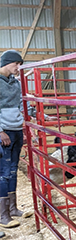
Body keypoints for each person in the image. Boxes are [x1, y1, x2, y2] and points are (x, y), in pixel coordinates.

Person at [0, 50, 33, 229]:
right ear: (7, 63)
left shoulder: (15, 83)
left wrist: (26, 119)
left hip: (16, 130)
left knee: (12, 171)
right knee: (3, 173)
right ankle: (2, 214)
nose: (18, 67)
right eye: (17, 64)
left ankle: (12, 209)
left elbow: (21, 103)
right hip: (4, 132)